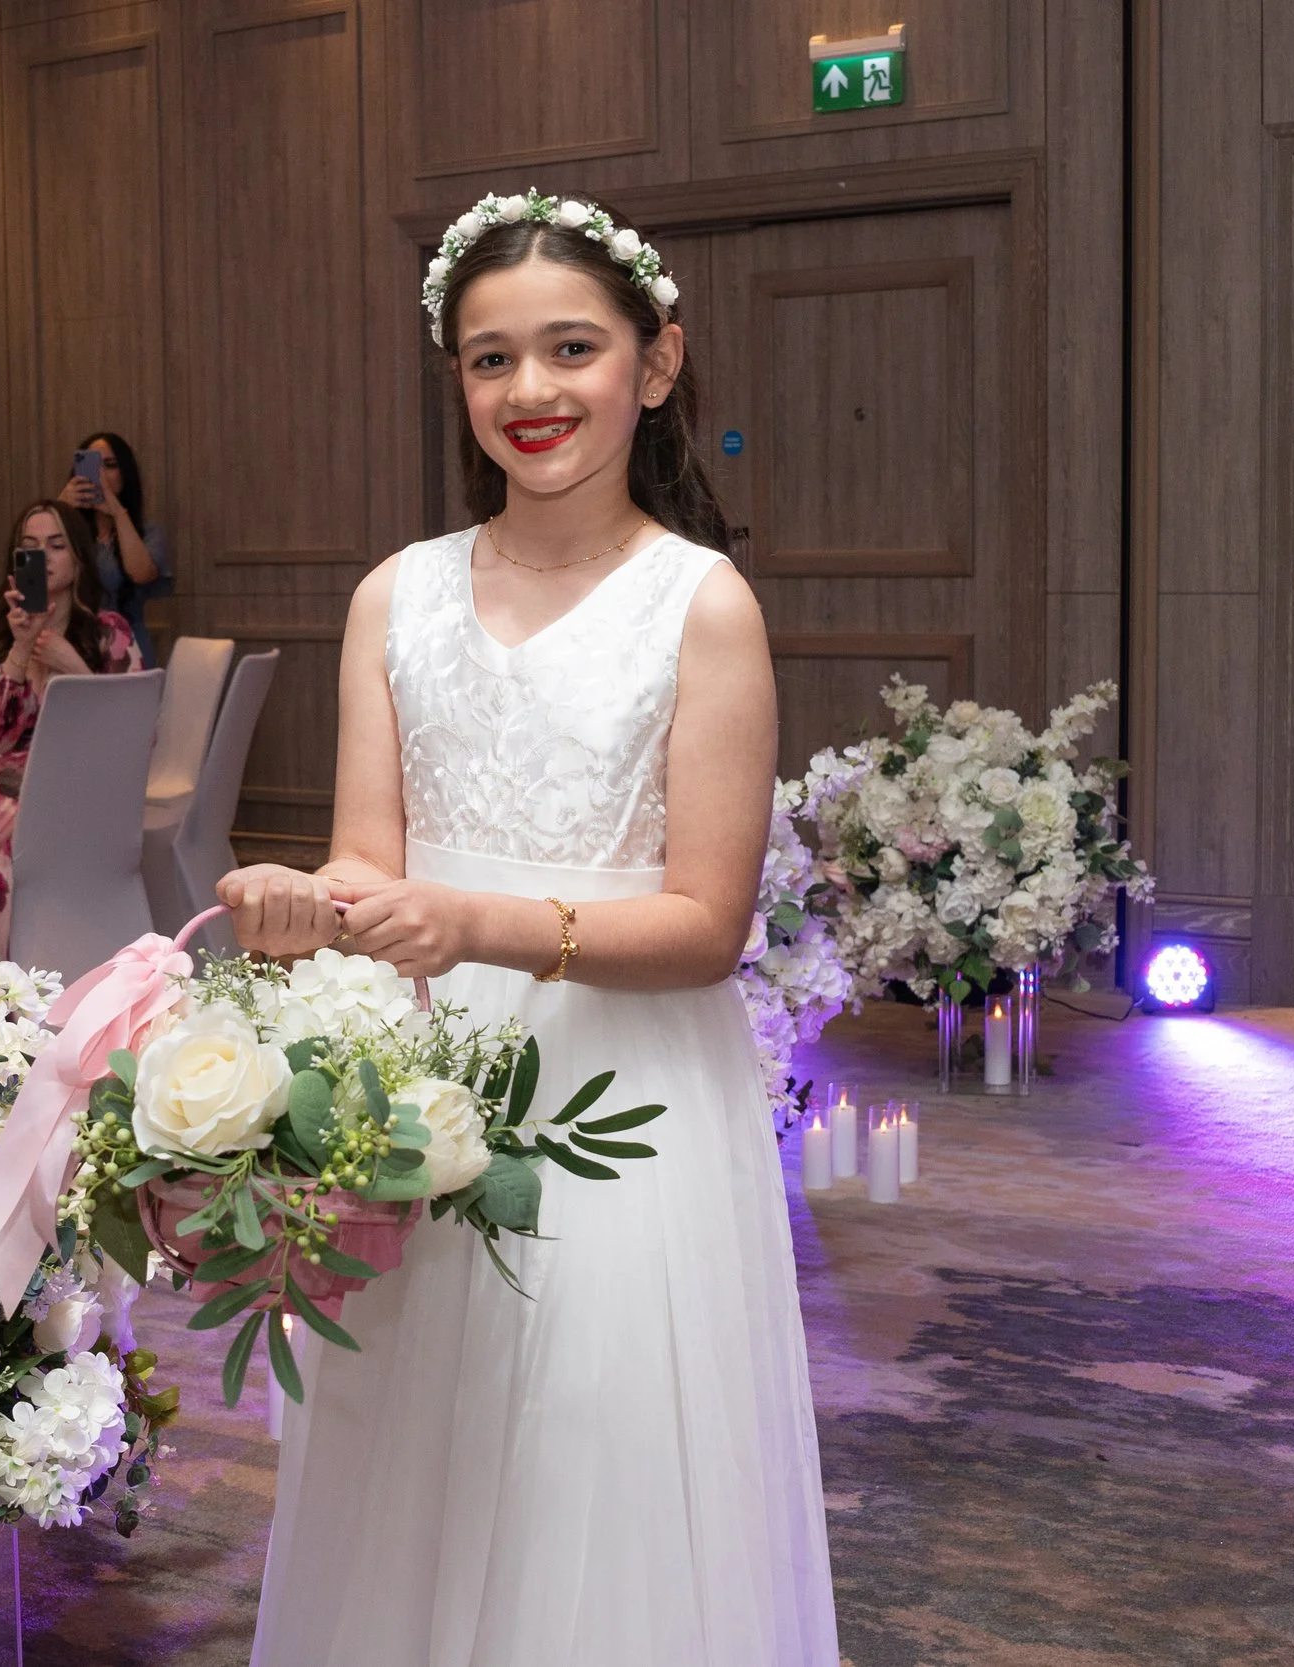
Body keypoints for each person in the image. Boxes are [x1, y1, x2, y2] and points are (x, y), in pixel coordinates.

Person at [223, 193, 840, 1666]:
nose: (532, 391)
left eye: (573, 348)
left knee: (595, 1448)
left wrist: (474, 918)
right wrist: (294, 901)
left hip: (628, 1093)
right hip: (425, 1079)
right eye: (492, 360)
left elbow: (704, 922)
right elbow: (368, 863)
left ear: (658, 362)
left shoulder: (704, 604)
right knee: (415, 1438)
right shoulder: (397, 595)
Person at [0, 497, 143, 968]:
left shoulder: (109, 634)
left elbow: (129, 742)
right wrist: (20, 648)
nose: (44, 557)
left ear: (78, 557)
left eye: (56, 545)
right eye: (29, 547)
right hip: (4, 776)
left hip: (83, 783)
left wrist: (74, 671)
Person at [62, 430, 171, 667]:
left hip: (129, 650)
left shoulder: (149, 534)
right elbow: (41, 575)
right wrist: (60, 512)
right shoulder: (71, 533)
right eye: (92, 466)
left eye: (110, 465)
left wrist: (114, 508)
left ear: (125, 474)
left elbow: (140, 573)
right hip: (75, 649)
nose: (100, 475)